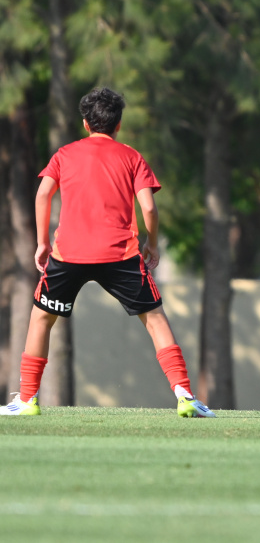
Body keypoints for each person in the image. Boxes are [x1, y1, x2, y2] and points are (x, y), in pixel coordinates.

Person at [2, 87, 214, 418]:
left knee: (41, 319)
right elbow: (149, 208)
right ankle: (185, 396)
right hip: (120, 255)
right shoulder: (132, 157)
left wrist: (43, 242)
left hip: (68, 254)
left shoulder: (65, 153)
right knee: (155, 319)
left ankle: (27, 400)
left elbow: (43, 195)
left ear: (85, 123)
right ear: (118, 125)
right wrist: (152, 244)